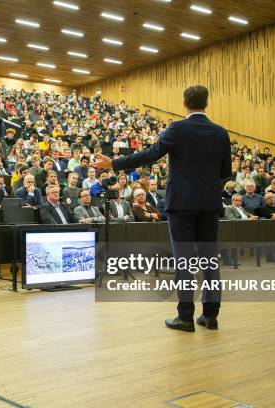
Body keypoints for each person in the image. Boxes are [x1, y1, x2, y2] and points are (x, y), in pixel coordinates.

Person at [93, 85, 231, 332]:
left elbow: (150, 155)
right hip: (209, 205)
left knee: (184, 260)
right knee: (209, 260)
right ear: (207, 103)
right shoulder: (221, 133)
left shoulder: (177, 128)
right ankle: (211, 316)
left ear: (184, 103)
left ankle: (185, 317)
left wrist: (114, 162)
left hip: (181, 205)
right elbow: (225, 172)